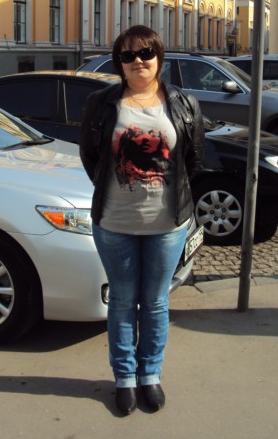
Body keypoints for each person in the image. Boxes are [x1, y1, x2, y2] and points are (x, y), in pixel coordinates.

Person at [79, 25, 205, 415]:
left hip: (167, 225)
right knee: (121, 302)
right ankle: (125, 379)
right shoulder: (101, 103)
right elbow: (91, 157)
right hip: (114, 223)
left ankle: (150, 374)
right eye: (128, 55)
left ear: (159, 58)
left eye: (146, 53)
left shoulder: (183, 103)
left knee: (154, 302)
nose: (138, 61)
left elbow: (193, 160)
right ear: (118, 63)